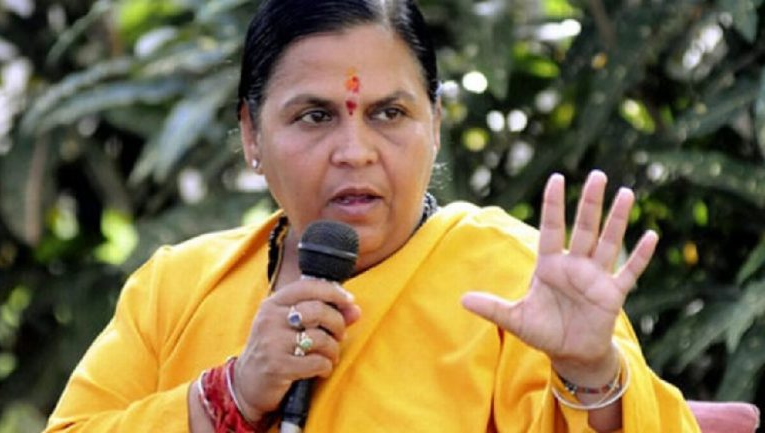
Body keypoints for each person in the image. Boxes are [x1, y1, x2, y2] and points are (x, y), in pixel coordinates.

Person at [44, 1, 701, 432]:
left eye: (390, 113)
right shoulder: (176, 287)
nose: (355, 152)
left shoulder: (520, 280)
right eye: (315, 116)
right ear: (250, 134)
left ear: (435, 125)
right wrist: (228, 395)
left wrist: (593, 378)